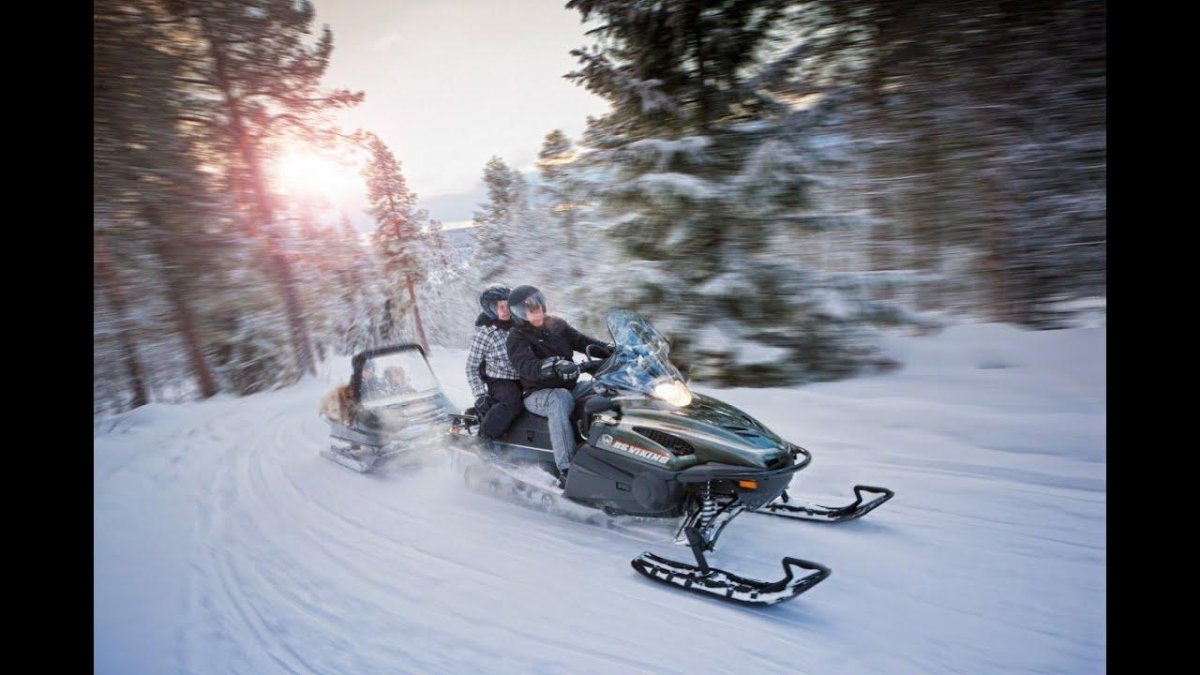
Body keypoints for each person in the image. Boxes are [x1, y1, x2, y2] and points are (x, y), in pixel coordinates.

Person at [505, 285, 612, 485]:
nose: (536, 313)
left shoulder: (556, 326)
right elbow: (527, 366)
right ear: (519, 315)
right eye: (530, 311)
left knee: (607, 385)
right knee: (560, 400)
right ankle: (566, 469)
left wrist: (613, 350)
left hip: (570, 386)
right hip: (538, 393)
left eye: (538, 308)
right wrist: (553, 365)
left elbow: (583, 341)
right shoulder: (517, 337)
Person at [465, 285, 524, 439]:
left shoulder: (519, 326)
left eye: (507, 305)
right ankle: (484, 436)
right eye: (499, 306)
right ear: (489, 309)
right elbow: (471, 366)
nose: (504, 310)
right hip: (500, 379)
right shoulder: (486, 334)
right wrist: (479, 395)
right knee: (512, 402)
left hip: (524, 373)